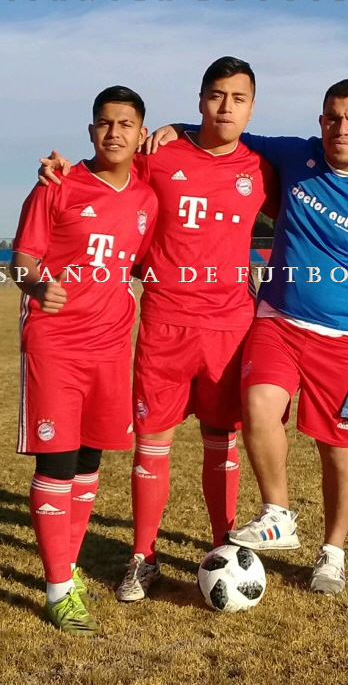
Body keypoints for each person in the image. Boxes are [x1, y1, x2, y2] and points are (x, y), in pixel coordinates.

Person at [151, 79, 348, 594]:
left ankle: (333, 553)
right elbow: (229, 131)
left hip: (343, 339)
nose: (342, 128)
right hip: (275, 320)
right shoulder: (297, 155)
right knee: (257, 408)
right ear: (321, 121)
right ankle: (278, 514)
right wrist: (178, 128)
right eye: (333, 117)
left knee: (336, 447)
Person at [37, 57, 278, 603]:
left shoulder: (262, 168)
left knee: (221, 441)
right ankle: (142, 558)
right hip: (165, 323)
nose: (226, 107)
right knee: (152, 445)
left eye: (238, 98)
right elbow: (108, 169)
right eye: (216, 95)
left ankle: (222, 546)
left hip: (230, 328)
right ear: (200, 100)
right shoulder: (159, 153)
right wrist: (62, 171)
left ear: (251, 107)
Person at [11, 86, 158, 634]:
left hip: (112, 347)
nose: (114, 133)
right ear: (91, 130)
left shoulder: (146, 199)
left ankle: (67, 569)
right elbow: (21, 259)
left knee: (89, 462)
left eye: (125, 124)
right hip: (55, 344)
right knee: (56, 460)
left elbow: (140, 265)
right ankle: (57, 592)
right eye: (105, 123)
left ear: (141, 134)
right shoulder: (57, 185)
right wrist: (36, 285)